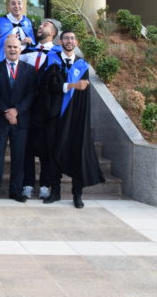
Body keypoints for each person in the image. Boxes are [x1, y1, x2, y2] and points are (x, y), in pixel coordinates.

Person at [42, 30, 105, 208]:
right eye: (66, 38)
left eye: (72, 38)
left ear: (76, 43)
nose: (69, 41)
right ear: (60, 42)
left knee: (78, 154)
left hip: (75, 116)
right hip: (56, 115)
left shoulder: (82, 65)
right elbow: (48, 87)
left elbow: (84, 94)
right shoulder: (51, 61)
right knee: (53, 153)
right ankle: (55, 192)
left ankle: (77, 195)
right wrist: (72, 85)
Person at [0, 35, 35, 203]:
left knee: (19, 157)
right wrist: (6, 111)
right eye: (9, 47)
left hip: (21, 121)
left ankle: (16, 191)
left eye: (15, 47)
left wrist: (17, 111)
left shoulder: (29, 70)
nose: (12, 50)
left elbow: (31, 94)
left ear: (20, 49)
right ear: (4, 49)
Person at [19, 19, 60, 200]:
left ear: (53, 33)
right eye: (40, 25)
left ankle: (44, 184)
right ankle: (27, 183)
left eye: (45, 25)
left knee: (46, 146)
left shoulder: (57, 54)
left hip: (46, 107)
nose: (40, 27)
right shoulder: (27, 51)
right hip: (27, 106)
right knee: (26, 147)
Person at [0, 0, 36, 65]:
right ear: (9, 7)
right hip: (6, 59)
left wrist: (30, 42)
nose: (17, 6)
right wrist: (19, 42)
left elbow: (34, 41)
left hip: (26, 59)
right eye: (13, 4)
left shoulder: (28, 21)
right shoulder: (1, 22)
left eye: (19, 3)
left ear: (23, 6)